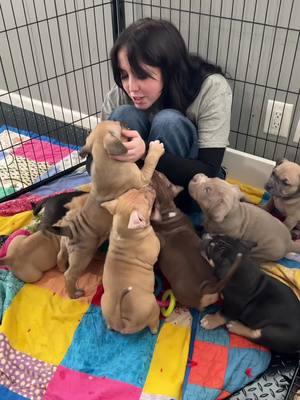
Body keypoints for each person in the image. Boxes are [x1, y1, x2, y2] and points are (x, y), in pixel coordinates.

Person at [87, 17, 232, 221]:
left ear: (169, 70)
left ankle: (165, 212)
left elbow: (209, 169)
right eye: (124, 74)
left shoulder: (212, 88)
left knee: (168, 121)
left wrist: (146, 151)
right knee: (123, 115)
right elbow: (93, 162)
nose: (131, 87)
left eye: (142, 75)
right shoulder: (121, 92)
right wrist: (110, 156)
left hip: (185, 189)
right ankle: (132, 209)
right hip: (133, 195)